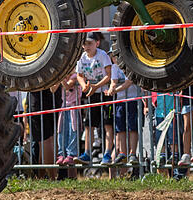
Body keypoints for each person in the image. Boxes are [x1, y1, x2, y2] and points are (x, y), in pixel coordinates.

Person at [74, 32, 113, 165]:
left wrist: (97, 86)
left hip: (106, 92)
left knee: (108, 124)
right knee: (89, 124)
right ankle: (87, 153)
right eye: (85, 44)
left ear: (97, 43)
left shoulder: (102, 55)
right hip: (92, 93)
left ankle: (107, 153)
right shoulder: (82, 57)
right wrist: (84, 85)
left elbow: (109, 75)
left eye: (89, 43)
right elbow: (79, 75)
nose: (86, 46)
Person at [106, 63, 140, 165]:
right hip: (120, 101)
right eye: (113, 56)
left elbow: (129, 82)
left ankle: (132, 153)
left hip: (133, 99)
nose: (115, 58)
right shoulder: (115, 67)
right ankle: (123, 153)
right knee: (120, 128)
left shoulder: (131, 64)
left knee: (132, 127)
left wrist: (114, 90)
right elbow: (113, 81)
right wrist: (112, 87)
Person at [56, 70, 81, 168]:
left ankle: (71, 153)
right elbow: (53, 89)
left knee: (73, 130)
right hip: (64, 106)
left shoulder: (75, 76)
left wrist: (60, 77)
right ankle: (61, 153)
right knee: (61, 130)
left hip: (73, 107)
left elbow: (67, 86)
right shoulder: (64, 78)